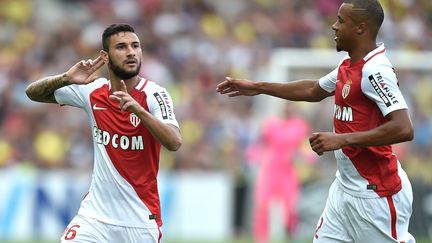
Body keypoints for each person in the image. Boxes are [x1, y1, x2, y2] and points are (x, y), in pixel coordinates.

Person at [216, 0, 416, 242]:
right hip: (344, 190)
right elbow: (313, 90)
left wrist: (341, 139)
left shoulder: (375, 70)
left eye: (341, 21)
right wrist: (257, 87)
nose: (334, 26)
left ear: (361, 27)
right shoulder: (348, 66)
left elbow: (403, 128)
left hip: (376, 193)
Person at [26, 23, 182, 243]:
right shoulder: (93, 91)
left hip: (139, 221)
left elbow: (174, 142)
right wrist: (66, 79)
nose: (130, 52)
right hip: (94, 218)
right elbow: (32, 93)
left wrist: (139, 111)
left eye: (135, 46)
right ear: (105, 56)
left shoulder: (155, 94)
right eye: (121, 47)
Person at [246, 103, 314, 243]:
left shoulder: (299, 126)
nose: (287, 108)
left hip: (287, 170)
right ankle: (261, 239)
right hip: (270, 168)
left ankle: (290, 236)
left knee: (291, 206)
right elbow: (260, 143)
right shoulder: (271, 125)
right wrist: (252, 157)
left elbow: (304, 146)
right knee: (262, 205)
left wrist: (309, 156)